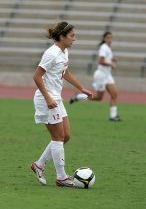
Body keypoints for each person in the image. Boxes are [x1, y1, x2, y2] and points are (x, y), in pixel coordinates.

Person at [31, 21, 92, 187]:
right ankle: (61, 177)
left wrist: (82, 88)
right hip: (47, 99)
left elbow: (65, 72)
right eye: (72, 36)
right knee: (58, 137)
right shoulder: (51, 53)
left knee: (66, 136)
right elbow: (37, 76)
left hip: (56, 98)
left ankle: (39, 164)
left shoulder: (64, 52)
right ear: (62, 36)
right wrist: (48, 98)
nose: (75, 39)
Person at [70, 31, 121, 121]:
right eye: (108, 37)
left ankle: (113, 116)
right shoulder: (104, 47)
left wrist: (112, 58)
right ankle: (78, 96)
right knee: (98, 97)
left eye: (111, 37)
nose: (110, 39)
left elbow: (106, 58)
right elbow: (100, 61)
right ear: (104, 39)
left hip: (107, 75)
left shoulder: (107, 48)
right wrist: (111, 64)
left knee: (114, 94)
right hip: (101, 75)